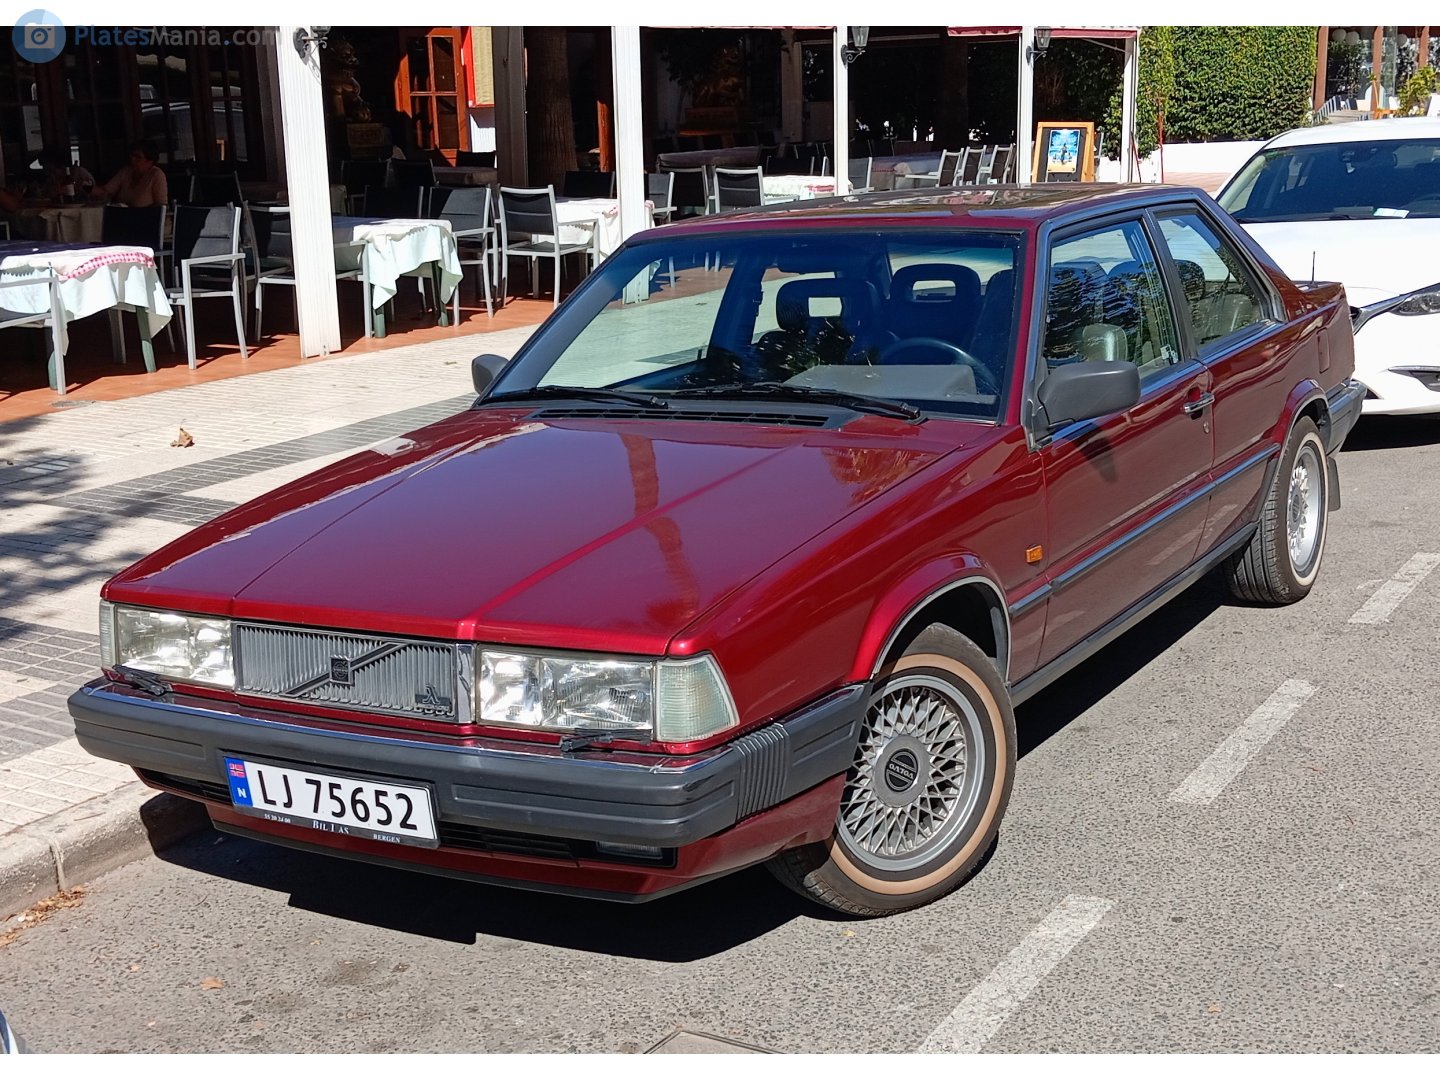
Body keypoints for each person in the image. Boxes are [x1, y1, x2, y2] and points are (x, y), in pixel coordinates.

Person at [93, 141, 167, 208]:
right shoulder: (126, 171)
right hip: (124, 218)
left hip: (147, 220)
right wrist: (87, 186)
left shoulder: (156, 175)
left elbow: (161, 206)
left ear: (150, 161)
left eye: (138, 157)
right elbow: (105, 191)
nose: (132, 159)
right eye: (132, 155)